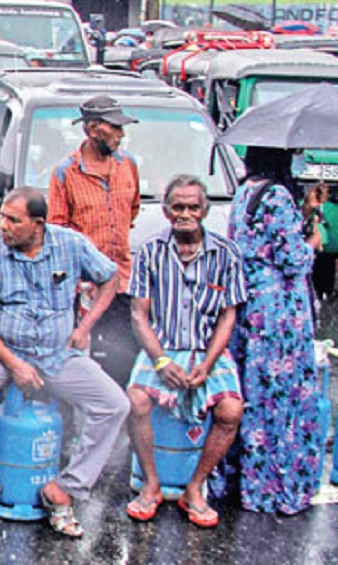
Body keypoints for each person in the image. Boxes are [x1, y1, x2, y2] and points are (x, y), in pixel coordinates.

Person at [0, 187, 128, 538]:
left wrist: (85, 327)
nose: (4, 226)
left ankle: (67, 489)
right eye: (1, 218)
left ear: (39, 224)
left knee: (114, 404)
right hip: (2, 351)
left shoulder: (70, 245)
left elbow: (110, 278)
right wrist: (13, 363)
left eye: (13, 221)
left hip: (58, 353)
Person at [125, 175, 247, 528]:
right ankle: (150, 484)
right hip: (161, 347)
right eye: (178, 207)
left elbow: (228, 316)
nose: (186, 214)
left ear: (205, 210)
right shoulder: (149, 251)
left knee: (230, 410)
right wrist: (161, 360)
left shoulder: (226, 253)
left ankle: (195, 488)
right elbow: (139, 315)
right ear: (166, 211)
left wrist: (207, 365)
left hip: (207, 351)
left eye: (193, 207)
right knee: (135, 401)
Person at [225, 147, 326, 514]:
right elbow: (291, 257)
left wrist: (307, 210)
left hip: (250, 305)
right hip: (278, 310)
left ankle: (244, 478)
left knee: (253, 388)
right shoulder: (278, 194)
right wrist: (313, 244)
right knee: (279, 394)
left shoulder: (247, 190)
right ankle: (272, 484)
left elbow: (265, 238)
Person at [47, 94, 142, 385]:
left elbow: (133, 209)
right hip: (84, 285)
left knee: (122, 354)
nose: (120, 134)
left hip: (122, 279)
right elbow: (57, 231)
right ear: (92, 129)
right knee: (80, 358)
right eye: (114, 128)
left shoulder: (128, 164)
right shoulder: (66, 173)